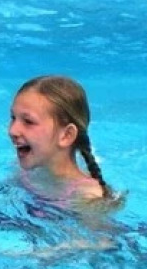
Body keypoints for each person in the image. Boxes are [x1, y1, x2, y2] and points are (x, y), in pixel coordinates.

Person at [7, 75, 118, 208]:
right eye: (13, 118)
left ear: (66, 135)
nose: (12, 131)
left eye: (28, 122)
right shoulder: (25, 171)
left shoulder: (87, 197)